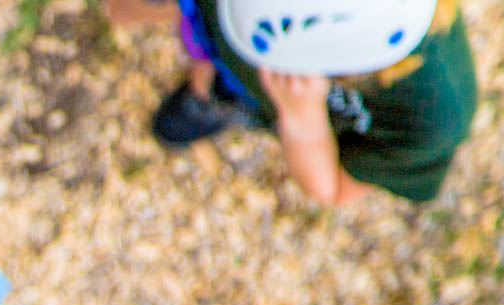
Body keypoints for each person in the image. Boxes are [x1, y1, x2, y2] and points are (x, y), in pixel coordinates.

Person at [108, 0, 476, 204]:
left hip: (277, 97)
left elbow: (332, 188)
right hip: (226, 27)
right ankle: (210, 74)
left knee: (228, 82)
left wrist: (302, 120)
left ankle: (220, 94)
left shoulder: (431, 118)